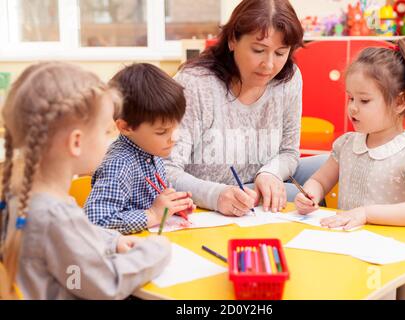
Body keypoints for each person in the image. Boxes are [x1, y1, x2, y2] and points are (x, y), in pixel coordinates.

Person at [0, 62, 171, 299]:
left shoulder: (25, 196)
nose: (107, 141)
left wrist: (113, 240)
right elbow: (107, 283)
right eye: (105, 132)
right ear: (76, 142)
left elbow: (69, 249)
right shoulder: (55, 217)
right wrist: (157, 250)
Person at [295, 37, 405, 299]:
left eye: (364, 100)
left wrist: (365, 213)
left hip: (392, 264)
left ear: (399, 102)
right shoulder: (348, 145)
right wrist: (310, 194)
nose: (352, 108)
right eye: (350, 97)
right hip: (350, 254)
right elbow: (319, 180)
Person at [166, 0, 327, 217]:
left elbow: (289, 152)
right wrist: (216, 195)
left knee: (334, 164)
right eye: (258, 50)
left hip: (256, 182)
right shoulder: (195, 83)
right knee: (298, 196)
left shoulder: (288, 79)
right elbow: (164, 169)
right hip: (214, 195)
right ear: (233, 40)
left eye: (280, 53)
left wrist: (270, 173)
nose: (269, 65)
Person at [85, 63, 195, 235]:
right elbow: (96, 221)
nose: (175, 137)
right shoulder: (119, 165)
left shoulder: (150, 150)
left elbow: (156, 202)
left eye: (176, 127)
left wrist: (172, 208)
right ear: (126, 127)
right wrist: (153, 215)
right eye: (162, 131)